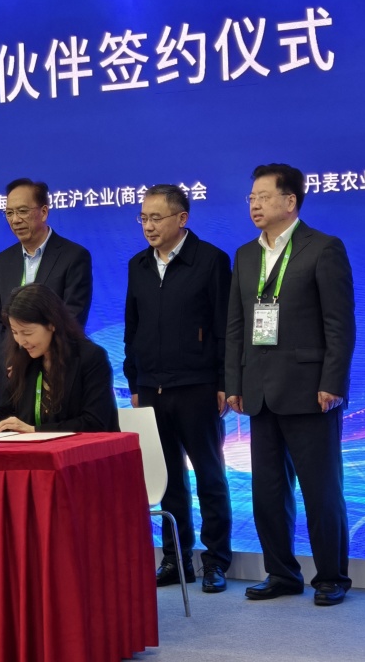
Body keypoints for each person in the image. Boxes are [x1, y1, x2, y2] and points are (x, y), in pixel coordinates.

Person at [226, 163, 356, 606]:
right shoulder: (245, 255)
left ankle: (331, 577)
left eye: (263, 197)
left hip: (311, 391)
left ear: (290, 201)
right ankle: (281, 573)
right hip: (260, 392)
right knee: (267, 492)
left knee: (321, 491)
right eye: (251, 198)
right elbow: (236, 326)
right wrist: (234, 382)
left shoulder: (323, 248)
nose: (254, 205)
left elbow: (339, 325)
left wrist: (333, 381)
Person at [124, 184, 233, 594]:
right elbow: (132, 329)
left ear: (182, 218)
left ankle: (216, 560)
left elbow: (224, 328)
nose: (148, 226)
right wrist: (135, 381)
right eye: (143, 218)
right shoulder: (138, 265)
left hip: (198, 386)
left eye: (156, 218)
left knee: (209, 476)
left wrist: (223, 382)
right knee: (167, 479)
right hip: (151, 388)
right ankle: (175, 558)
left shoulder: (210, 260)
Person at [0, 178, 93, 407]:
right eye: (9, 213)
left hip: (56, 374)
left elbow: (72, 316)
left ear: (43, 212)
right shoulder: (0, 261)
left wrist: (36, 360)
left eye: (23, 211)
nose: (15, 220)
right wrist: (12, 359)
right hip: (10, 376)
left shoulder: (74, 256)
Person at [0, 284, 118, 434]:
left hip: (85, 447)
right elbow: (8, 410)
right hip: (36, 447)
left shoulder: (91, 357)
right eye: (15, 332)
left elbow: (95, 422)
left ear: (52, 324)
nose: (21, 342)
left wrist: (35, 430)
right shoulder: (24, 359)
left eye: (27, 333)